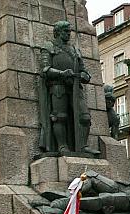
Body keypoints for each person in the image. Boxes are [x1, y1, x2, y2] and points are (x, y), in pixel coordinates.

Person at [38, 21, 98, 154]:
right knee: (59, 117)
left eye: (69, 31)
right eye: (66, 31)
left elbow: (85, 71)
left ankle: (83, 146)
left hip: (75, 87)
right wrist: (61, 73)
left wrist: (84, 75)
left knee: (85, 117)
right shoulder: (48, 47)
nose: (68, 33)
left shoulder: (75, 50)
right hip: (58, 87)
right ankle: (62, 146)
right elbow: (45, 70)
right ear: (58, 32)